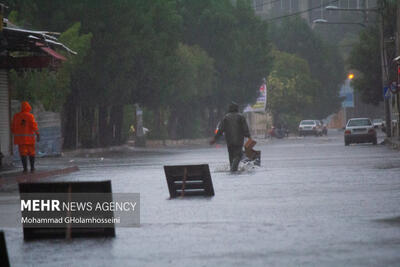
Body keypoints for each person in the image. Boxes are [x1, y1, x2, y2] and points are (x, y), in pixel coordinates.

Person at [210, 102, 252, 172]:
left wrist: (215, 139)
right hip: (239, 141)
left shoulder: (225, 117)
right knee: (239, 155)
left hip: (229, 141)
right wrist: (249, 137)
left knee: (231, 156)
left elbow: (220, 130)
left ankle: (232, 169)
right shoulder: (241, 117)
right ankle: (233, 169)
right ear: (237, 109)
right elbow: (245, 129)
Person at [11, 101, 40, 173]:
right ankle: (32, 168)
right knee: (32, 153)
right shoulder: (30, 116)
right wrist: (37, 134)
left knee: (23, 153)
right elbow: (34, 126)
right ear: (28, 107)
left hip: (20, 140)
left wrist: (16, 132)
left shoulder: (16, 116)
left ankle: (25, 169)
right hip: (30, 140)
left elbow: (12, 127)